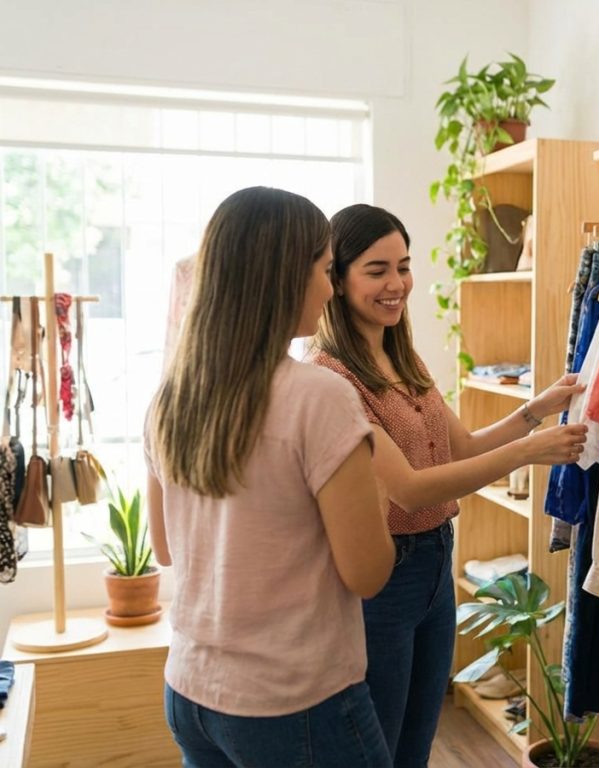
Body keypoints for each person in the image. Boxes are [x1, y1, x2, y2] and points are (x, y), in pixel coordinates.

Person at [312, 203, 588, 767]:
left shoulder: (399, 354)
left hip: (436, 561)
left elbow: (459, 447)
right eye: (377, 270)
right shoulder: (330, 378)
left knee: (417, 742)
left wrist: (537, 408)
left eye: (404, 266)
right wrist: (529, 452)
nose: (397, 284)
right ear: (336, 280)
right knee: (380, 748)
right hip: (385, 577)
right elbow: (409, 489)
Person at [146, 187, 395, 768]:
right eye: (327, 269)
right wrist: (377, 489)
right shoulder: (319, 397)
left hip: (190, 688)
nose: (332, 288)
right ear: (284, 274)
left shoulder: (171, 395)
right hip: (293, 701)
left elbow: (164, 547)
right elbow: (368, 572)